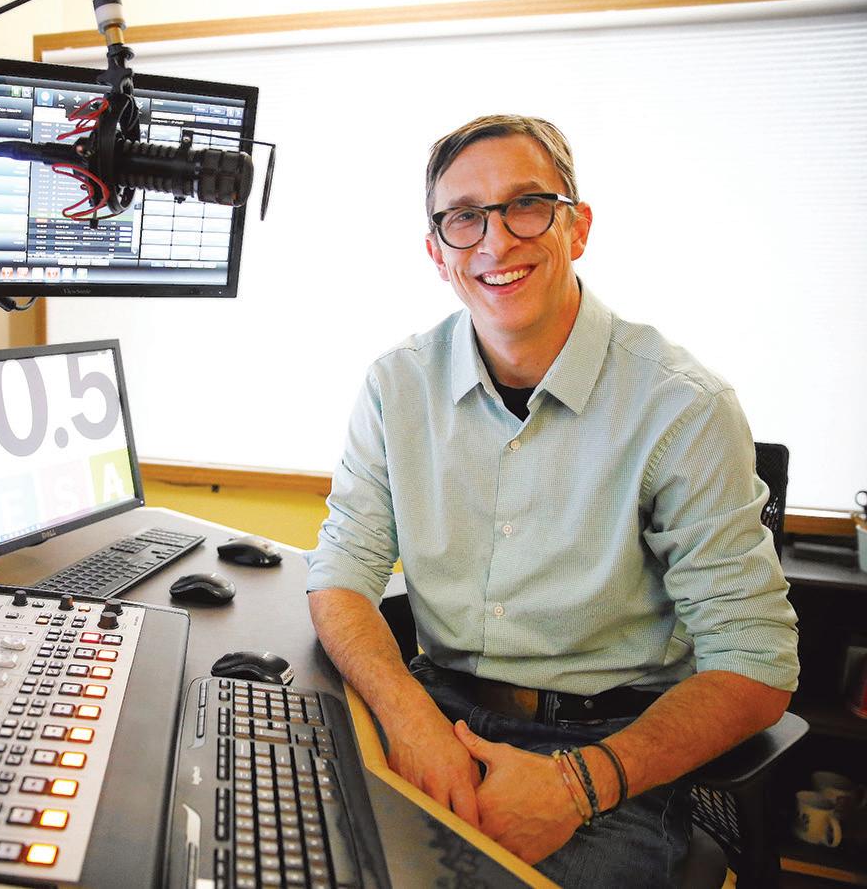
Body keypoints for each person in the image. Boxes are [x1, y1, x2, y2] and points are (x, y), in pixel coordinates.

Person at [305, 115, 799, 887]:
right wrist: (408, 715)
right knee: (296, 848)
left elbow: (757, 665)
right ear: (437, 252)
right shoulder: (395, 384)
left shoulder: (684, 407)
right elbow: (341, 570)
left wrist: (577, 783)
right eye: (464, 217)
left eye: (527, 205)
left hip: (607, 751)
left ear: (579, 225)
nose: (496, 242)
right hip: (436, 711)